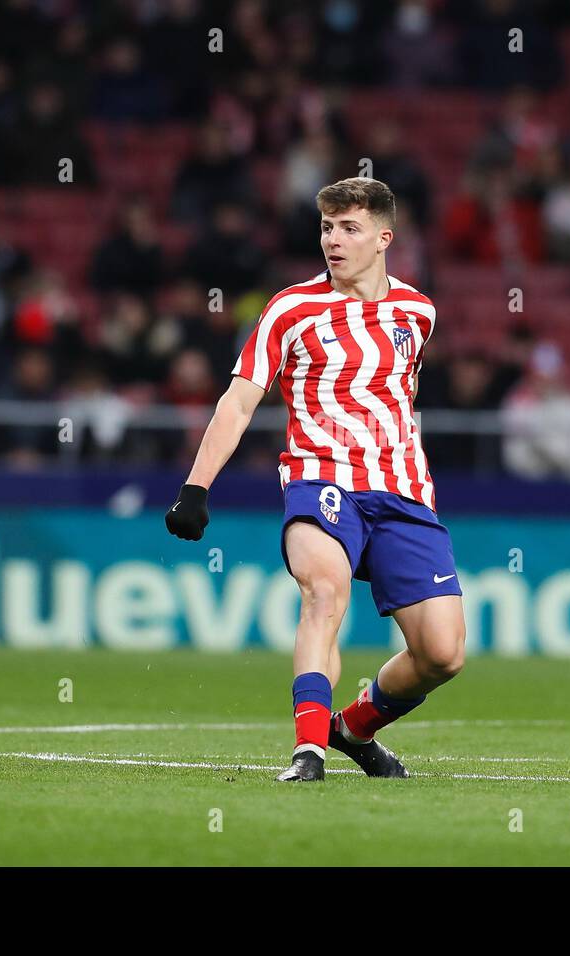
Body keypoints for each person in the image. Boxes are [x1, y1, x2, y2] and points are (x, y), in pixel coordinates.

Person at [164, 178, 466, 783]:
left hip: (403, 490)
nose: (333, 239)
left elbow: (392, 396)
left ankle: (351, 729)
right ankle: (309, 751)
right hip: (319, 478)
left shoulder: (418, 312)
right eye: (327, 227)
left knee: (442, 654)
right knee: (325, 593)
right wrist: (196, 489)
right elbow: (239, 402)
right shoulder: (290, 309)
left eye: (349, 228)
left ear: (384, 238)